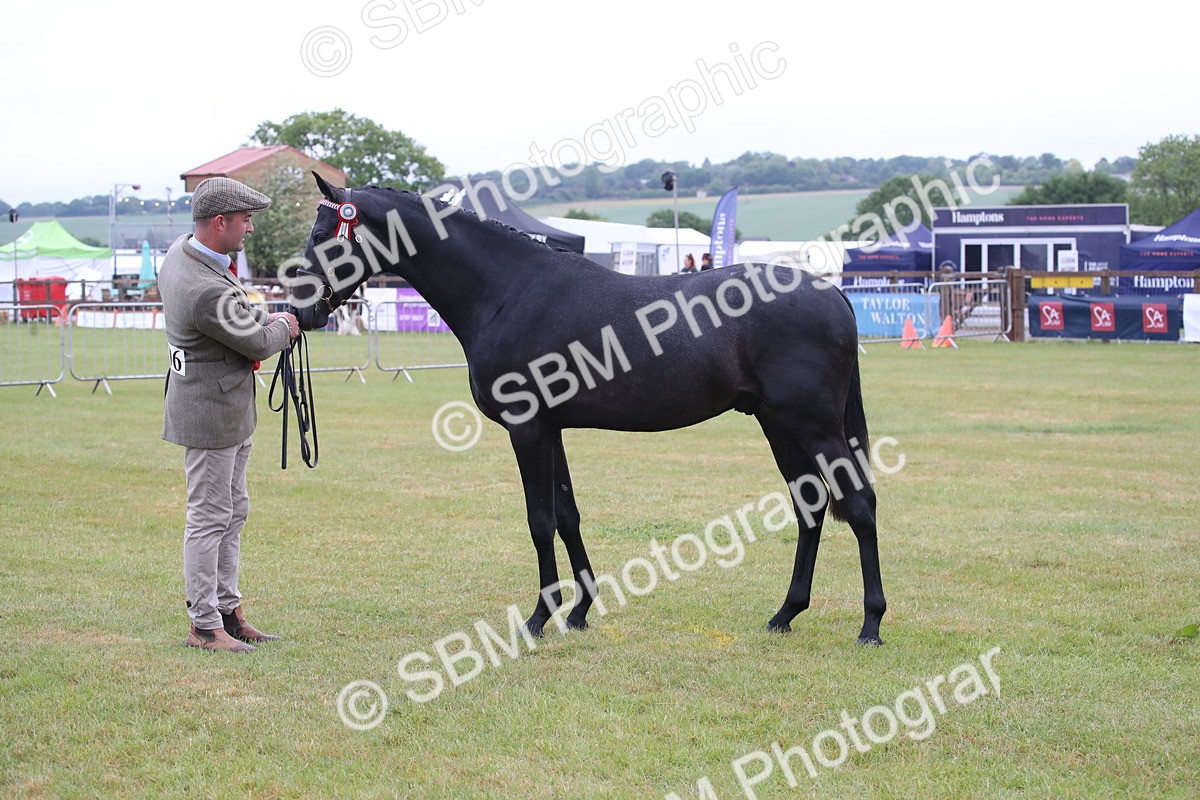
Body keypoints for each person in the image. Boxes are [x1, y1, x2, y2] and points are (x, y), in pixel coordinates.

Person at [159, 177, 300, 653]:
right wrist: (284, 323)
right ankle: (204, 625)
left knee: (231, 510)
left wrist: (262, 322)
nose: (250, 228)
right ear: (219, 222)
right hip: (211, 413)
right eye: (245, 219)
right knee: (209, 516)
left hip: (221, 406)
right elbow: (259, 340)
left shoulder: (185, 252)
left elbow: (237, 320)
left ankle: (226, 610)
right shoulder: (203, 287)